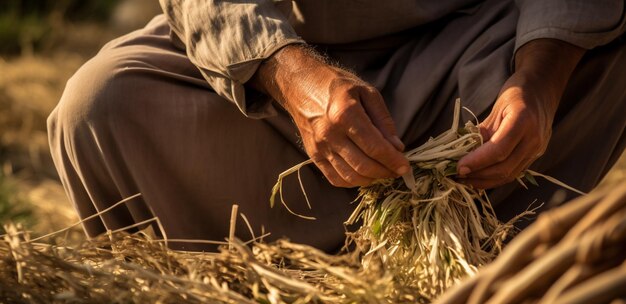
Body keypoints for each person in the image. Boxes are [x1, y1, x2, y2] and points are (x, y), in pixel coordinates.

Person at [48, 0, 626, 252]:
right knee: (99, 105)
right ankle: (222, 283)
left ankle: (484, 265)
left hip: (473, 48)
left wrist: (542, 80)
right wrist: (290, 75)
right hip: (274, 54)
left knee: (607, 51)